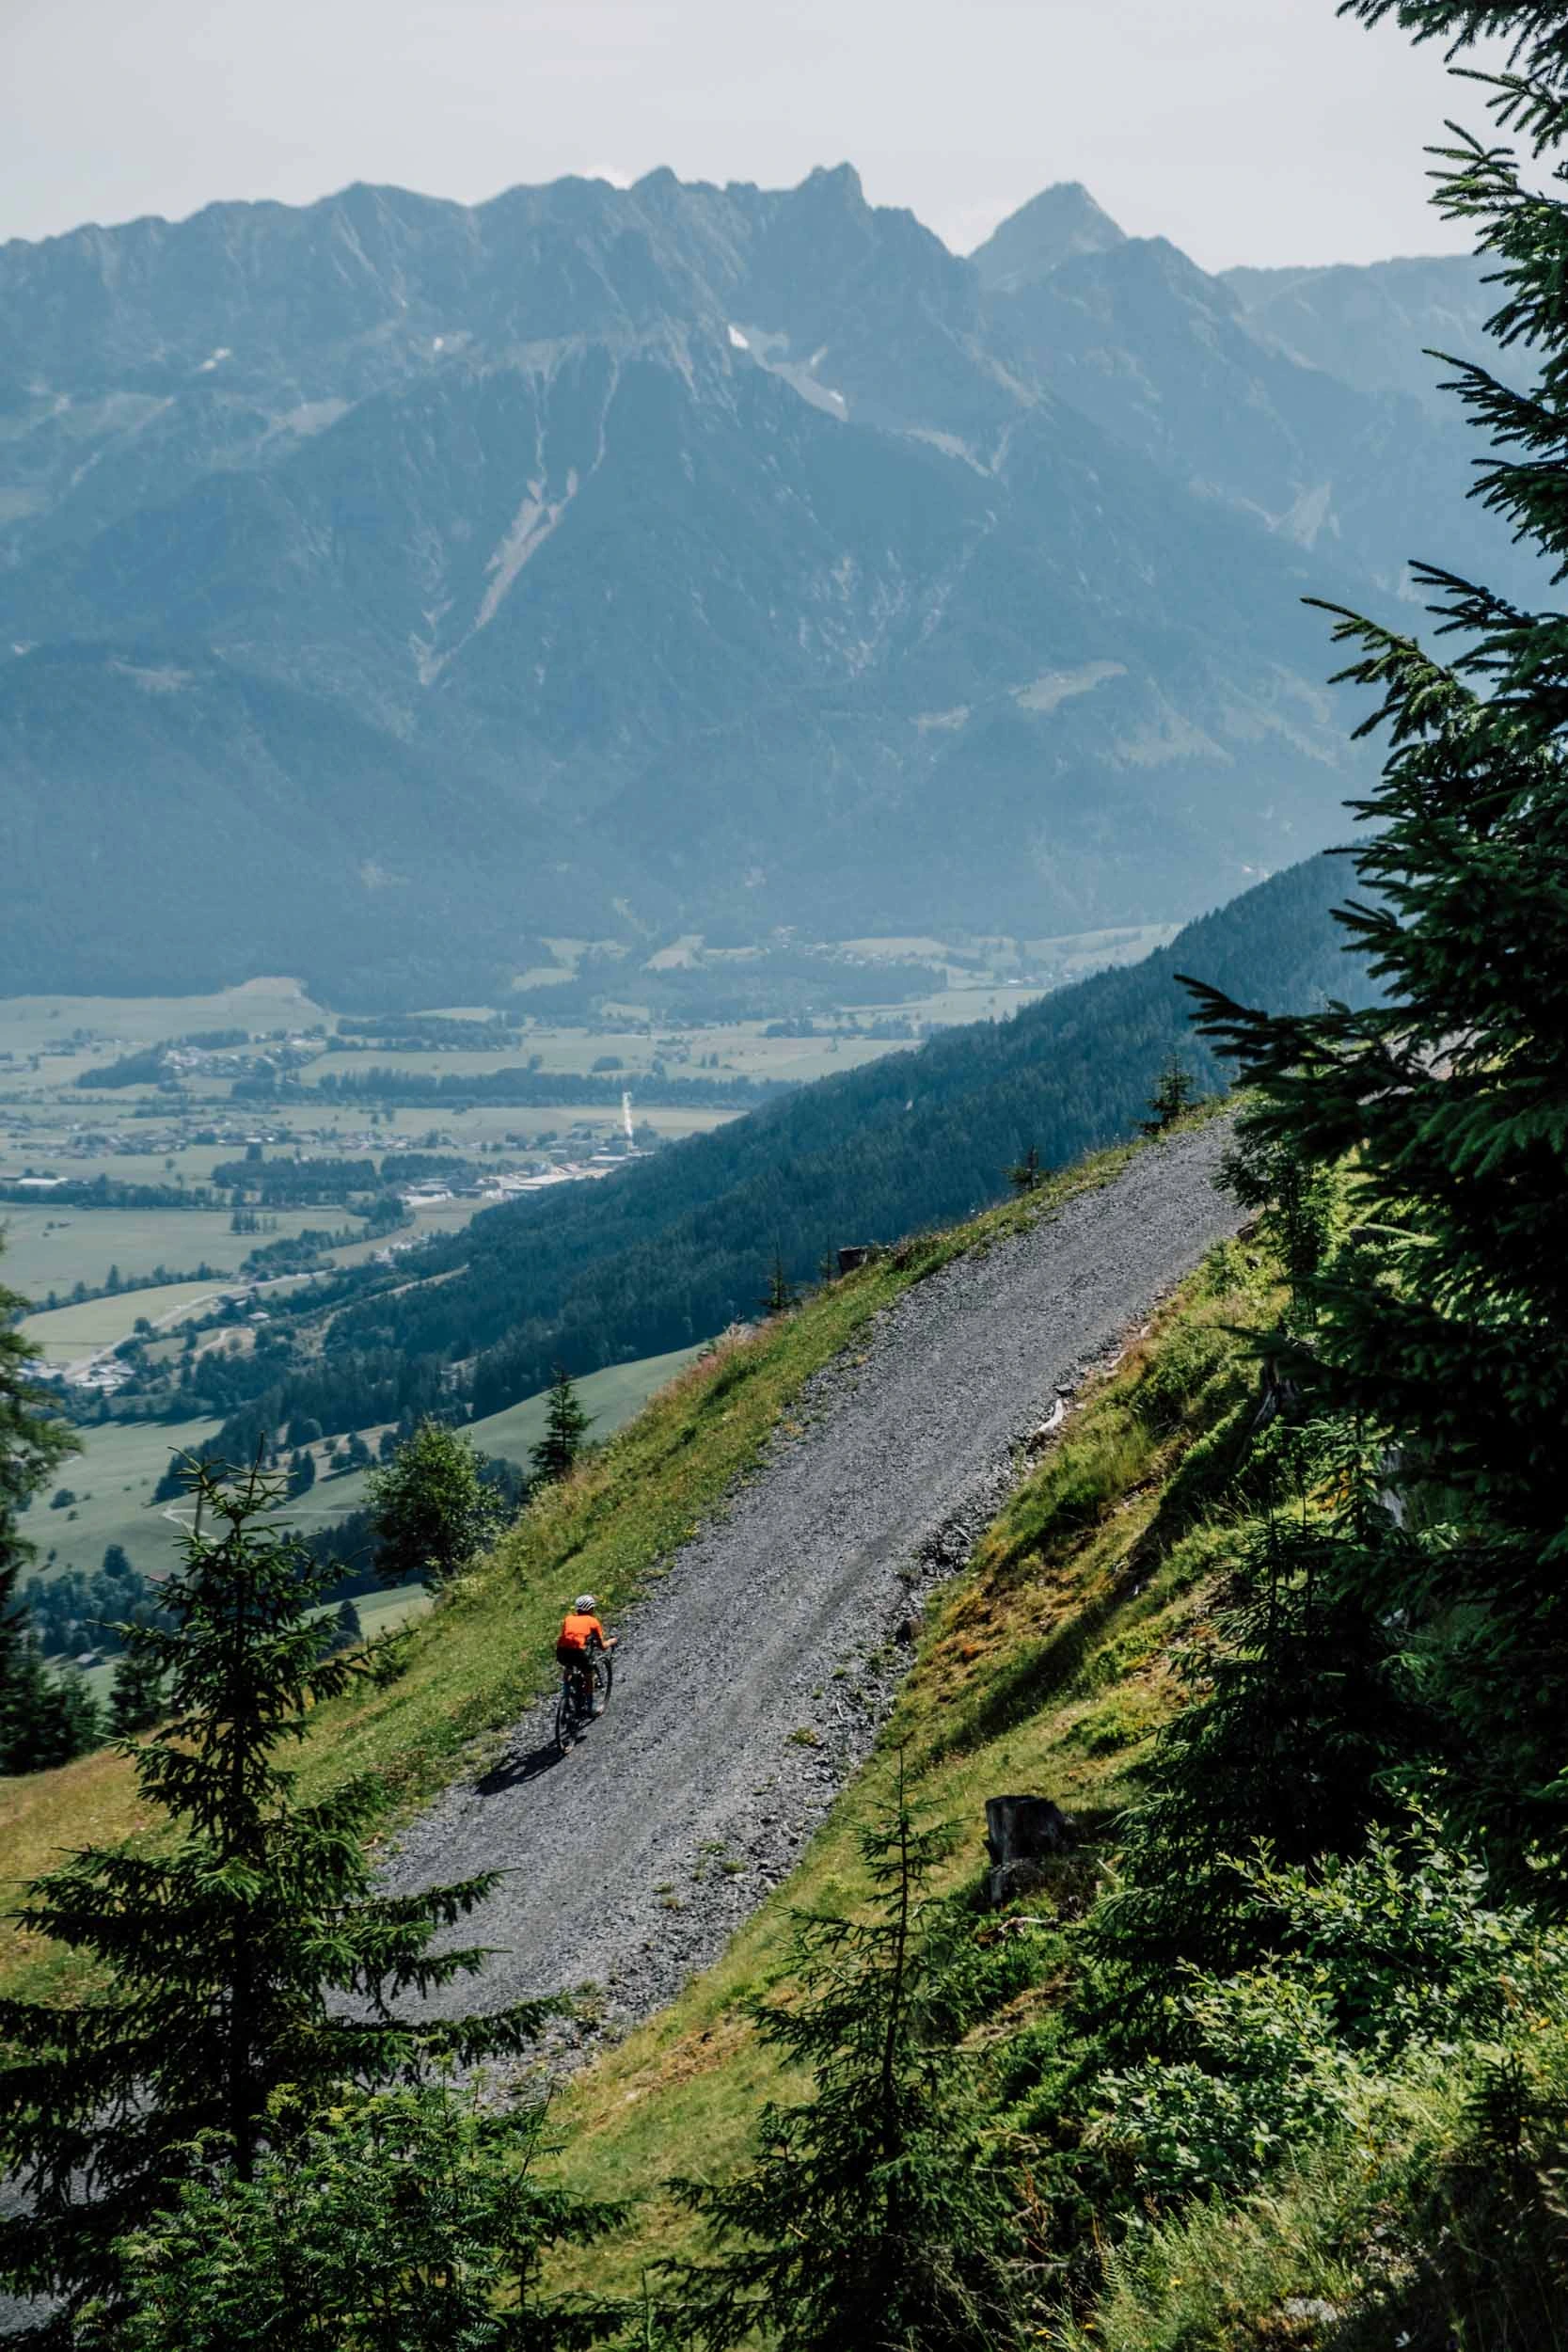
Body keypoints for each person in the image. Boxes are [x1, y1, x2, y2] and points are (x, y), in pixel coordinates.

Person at [556, 1593, 616, 1717]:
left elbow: (569, 1635)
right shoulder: (593, 1621)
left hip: (561, 1651)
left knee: (568, 1668)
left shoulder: (568, 1618)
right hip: (577, 1651)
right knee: (589, 1676)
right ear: (590, 1609)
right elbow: (602, 1646)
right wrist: (612, 1641)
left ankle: (566, 1697)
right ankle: (590, 1708)